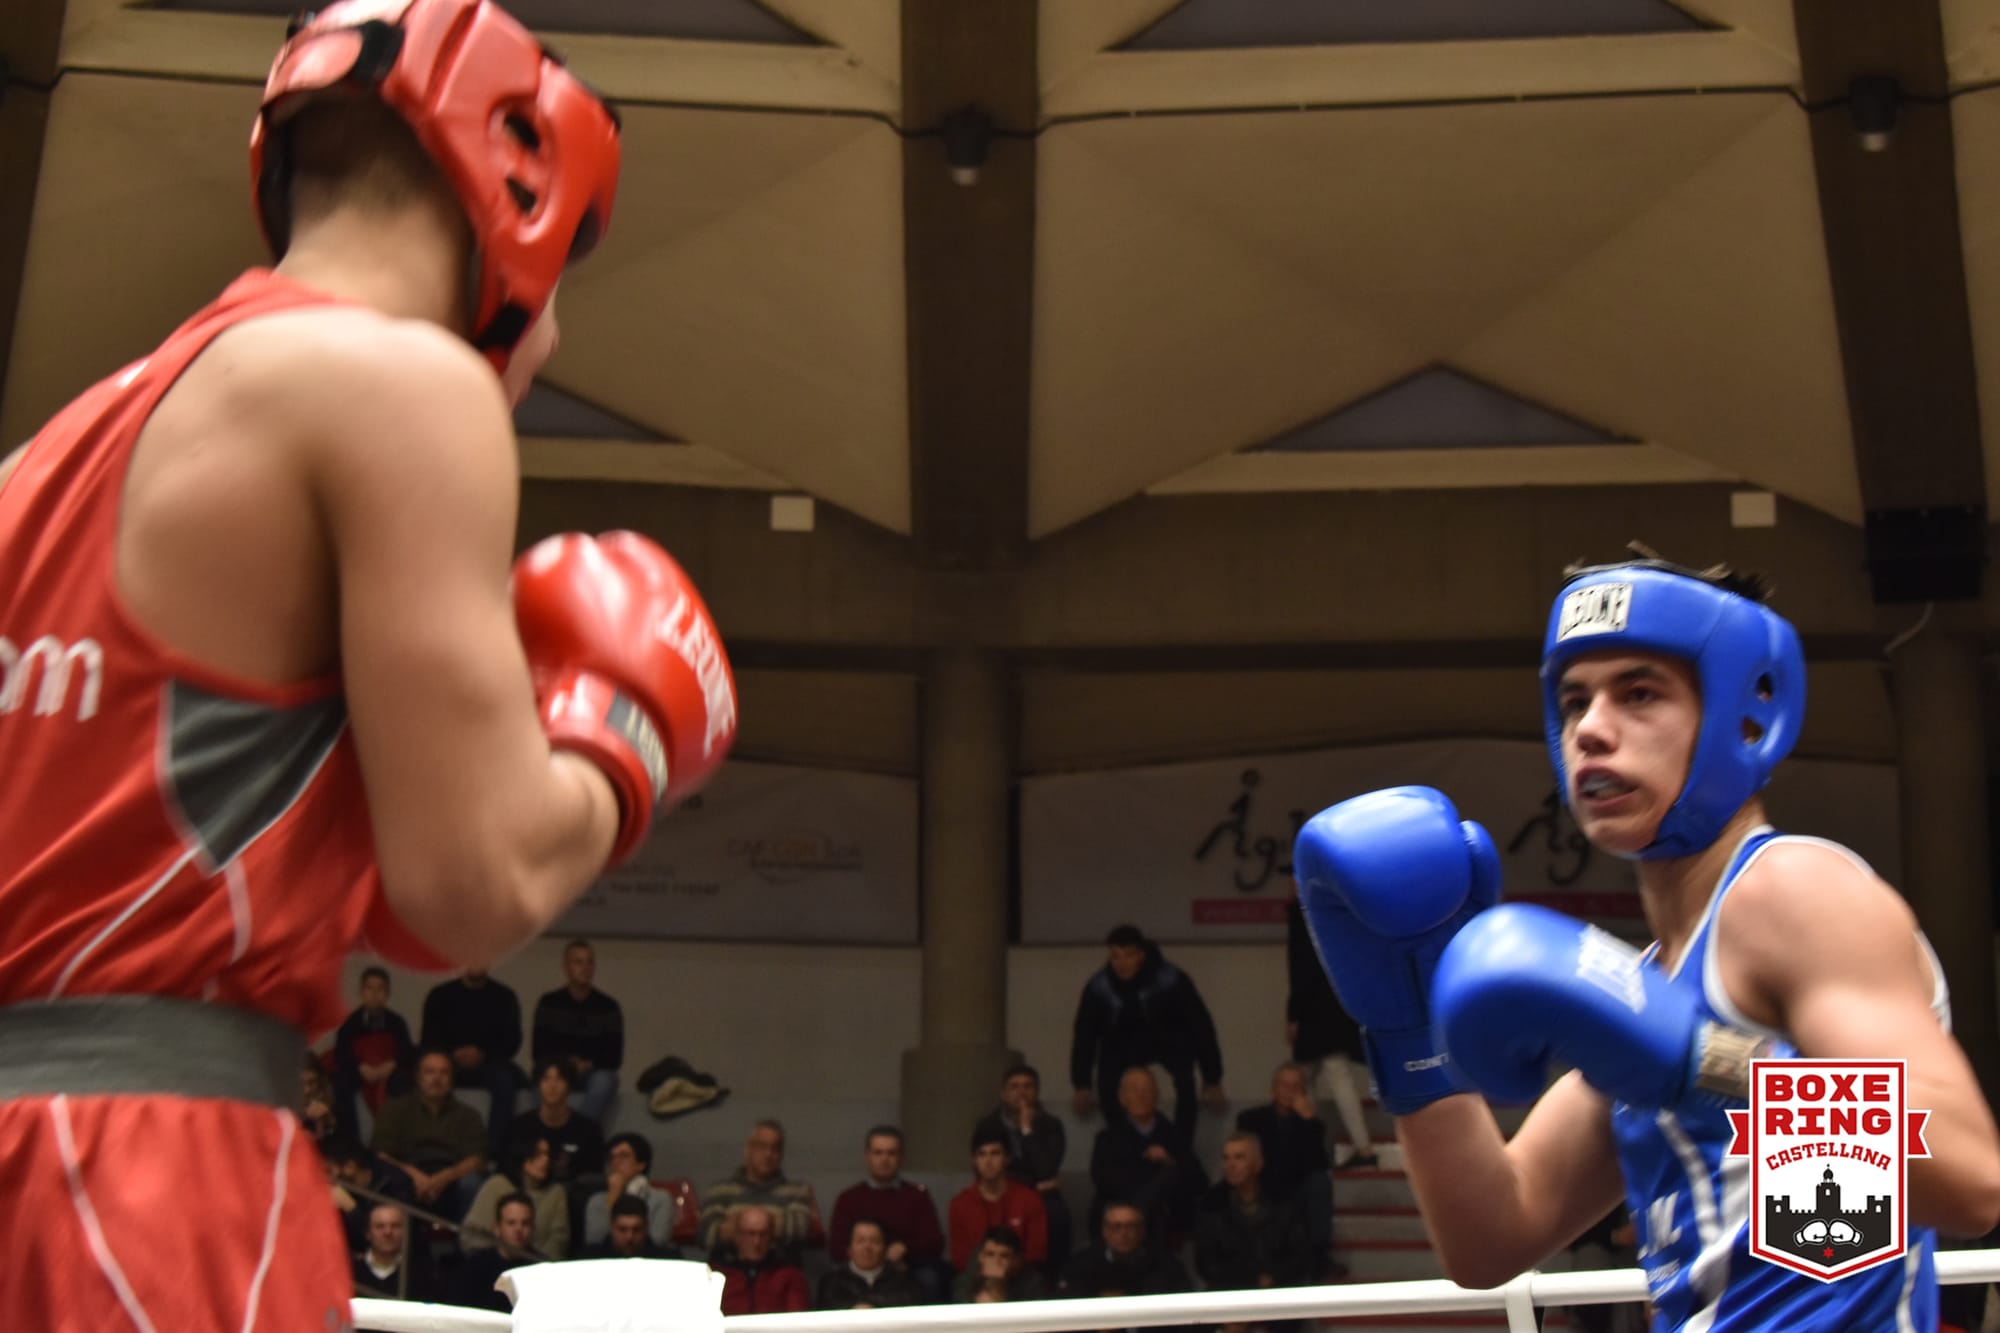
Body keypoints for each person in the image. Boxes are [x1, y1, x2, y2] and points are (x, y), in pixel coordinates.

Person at [0, 2, 737, 1327]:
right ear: (522, 202)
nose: (552, 336)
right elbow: (469, 887)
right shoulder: (404, 386)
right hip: (145, 1182)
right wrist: (625, 736)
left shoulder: (49, 458)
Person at [1294, 554, 2000, 1331]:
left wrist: (1708, 1064)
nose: (1591, 729)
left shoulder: (1794, 891)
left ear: (1743, 715)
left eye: (1639, 693)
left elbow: (1970, 1176)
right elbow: (1491, 1235)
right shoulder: (1644, 990)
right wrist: (1407, 1030)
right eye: (1574, 701)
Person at [1070, 925, 1226, 1138]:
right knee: (1106, 1084)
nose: (1122, 963)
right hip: (1120, 1043)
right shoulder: (1100, 987)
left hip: (1168, 1040)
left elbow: (1200, 1026)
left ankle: (1180, 1145)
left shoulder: (1170, 979)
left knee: (1185, 1081)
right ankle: (1123, 1142)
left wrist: (1212, 1078)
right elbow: (1085, 1035)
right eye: (1115, 957)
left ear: (1141, 955)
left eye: (1128, 956)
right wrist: (1082, 1083)